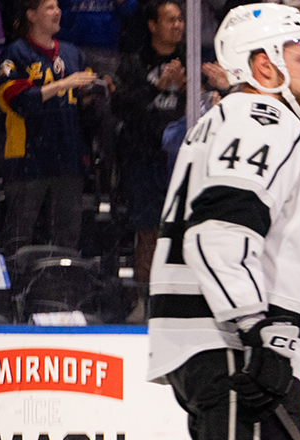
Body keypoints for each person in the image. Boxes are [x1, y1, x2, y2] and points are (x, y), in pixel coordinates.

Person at [144, 4, 300, 439]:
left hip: (217, 345)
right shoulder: (263, 118)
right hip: (235, 348)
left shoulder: (227, 118)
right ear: (266, 66)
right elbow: (219, 233)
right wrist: (258, 332)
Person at [0, 0, 100, 254]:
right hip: (27, 161)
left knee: (67, 237)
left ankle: (61, 291)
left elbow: (86, 98)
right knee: (18, 236)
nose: (58, 12)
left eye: (57, 6)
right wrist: (63, 84)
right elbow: (17, 100)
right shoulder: (14, 54)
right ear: (31, 14)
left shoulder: (72, 53)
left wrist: (96, 91)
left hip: (68, 158)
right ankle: (14, 292)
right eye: (50, 7)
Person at [112, 0, 185, 319]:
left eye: (180, 19)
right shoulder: (133, 63)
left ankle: (176, 303)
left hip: (181, 162)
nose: (178, 25)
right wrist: (158, 85)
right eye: (170, 20)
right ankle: (143, 303)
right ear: (152, 25)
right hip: (143, 159)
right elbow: (122, 109)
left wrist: (189, 90)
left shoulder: (190, 60)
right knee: (148, 232)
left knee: (181, 232)